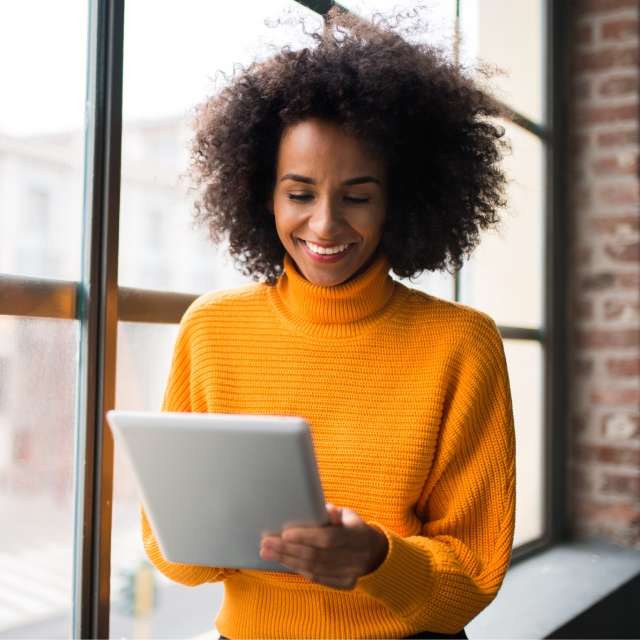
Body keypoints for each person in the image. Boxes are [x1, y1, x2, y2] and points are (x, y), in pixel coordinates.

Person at [140, 6, 516, 639]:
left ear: (401, 198)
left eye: (359, 196)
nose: (324, 225)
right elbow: (172, 557)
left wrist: (377, 560)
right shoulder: (212, 328)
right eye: (300, 193)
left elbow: (472, 579)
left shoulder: (460, 343)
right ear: (262, 193)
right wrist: (202, 534)